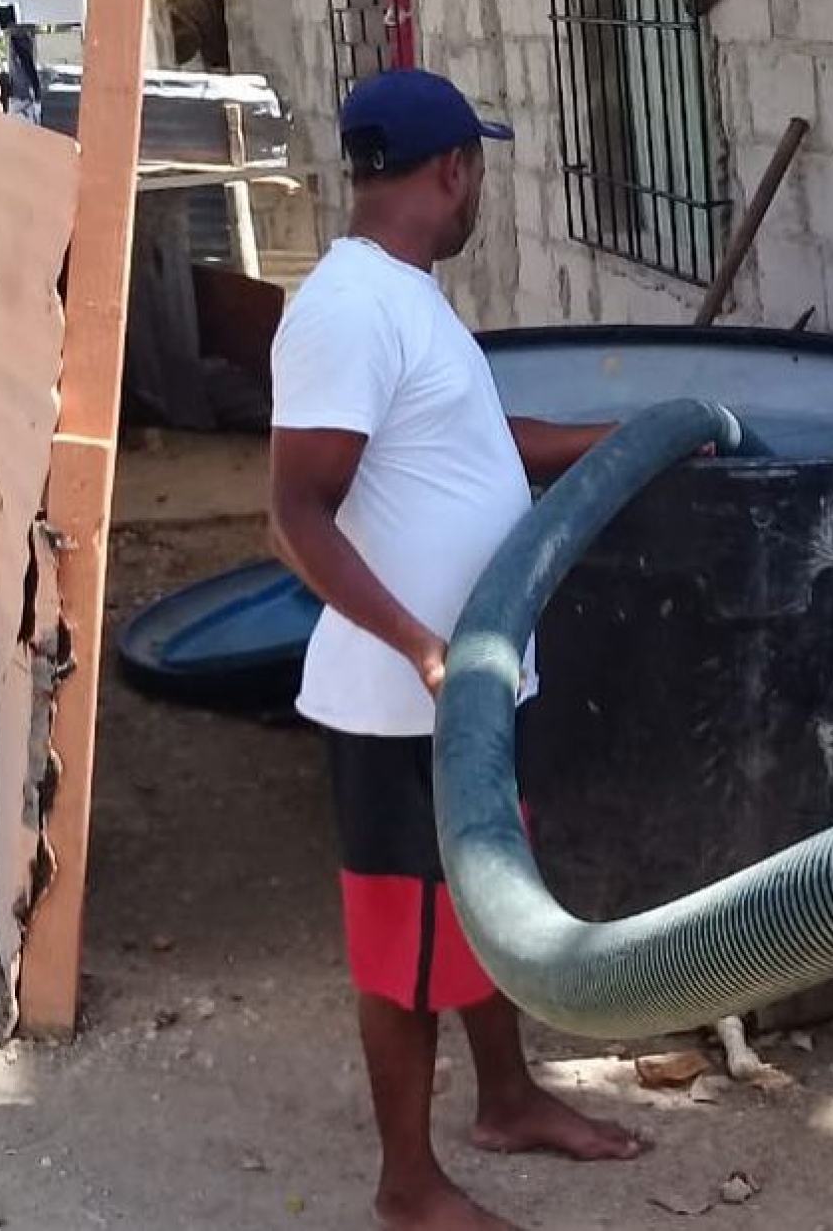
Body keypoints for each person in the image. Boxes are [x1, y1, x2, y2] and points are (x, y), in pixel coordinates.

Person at [269, 69, 644, 1231]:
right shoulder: (347, 310)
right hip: (403, 702)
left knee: (485, 901)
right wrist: (420, 647)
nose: (479, 185)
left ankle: (508, 1099)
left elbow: (480, 444)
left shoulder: (407, 297)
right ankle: (408, 1183)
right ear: (453, 170)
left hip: (469, 684)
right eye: (478, 166)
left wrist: (628, 439)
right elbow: (294, 513)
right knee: (404, 944)